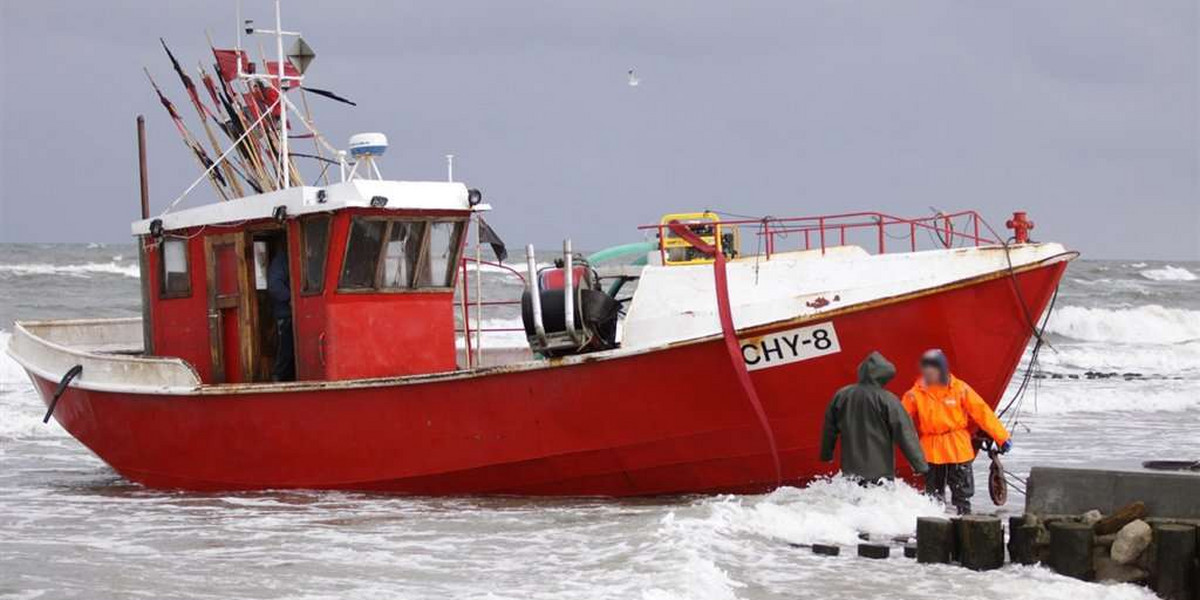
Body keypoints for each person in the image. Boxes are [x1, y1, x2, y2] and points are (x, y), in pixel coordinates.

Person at [901, 349, 1011, 514]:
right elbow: (900, 417)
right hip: (932, 450)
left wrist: (1002, 437)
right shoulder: (915, 393)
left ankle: (964, 523)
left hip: (957, 448)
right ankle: (935, 528)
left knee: (962, 496)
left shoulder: (961, 389)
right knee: (933, 497)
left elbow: (983, 413)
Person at [820, 352, 928, 484]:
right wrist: (920, 466)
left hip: (850, 470)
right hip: (880, 471)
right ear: (884, 376)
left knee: (854, 502)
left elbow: (829, 428)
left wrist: (827, 454)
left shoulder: (841, 395)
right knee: (879, 502)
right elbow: (904, 433)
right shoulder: (888, 399)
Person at [267, 251, 295, 382]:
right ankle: (278, 378)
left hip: (296, 313)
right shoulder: (282, 261)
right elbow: (274, 285)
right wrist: (290, 299)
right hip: (285, 314)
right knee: (286, 348)